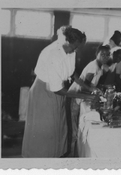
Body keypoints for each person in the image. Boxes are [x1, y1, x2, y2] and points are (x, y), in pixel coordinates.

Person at [22, 26, 98, 158]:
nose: (76, 50)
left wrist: (88, 87)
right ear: (67, 41)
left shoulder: (70, 50)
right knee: (46, 131)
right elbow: (58, 89)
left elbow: (71, 72)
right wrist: (85, 96)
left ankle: (53, 158)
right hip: (44, 93)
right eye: (75, 47)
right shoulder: (54, 54)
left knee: (57, 128)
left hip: (57, 92)